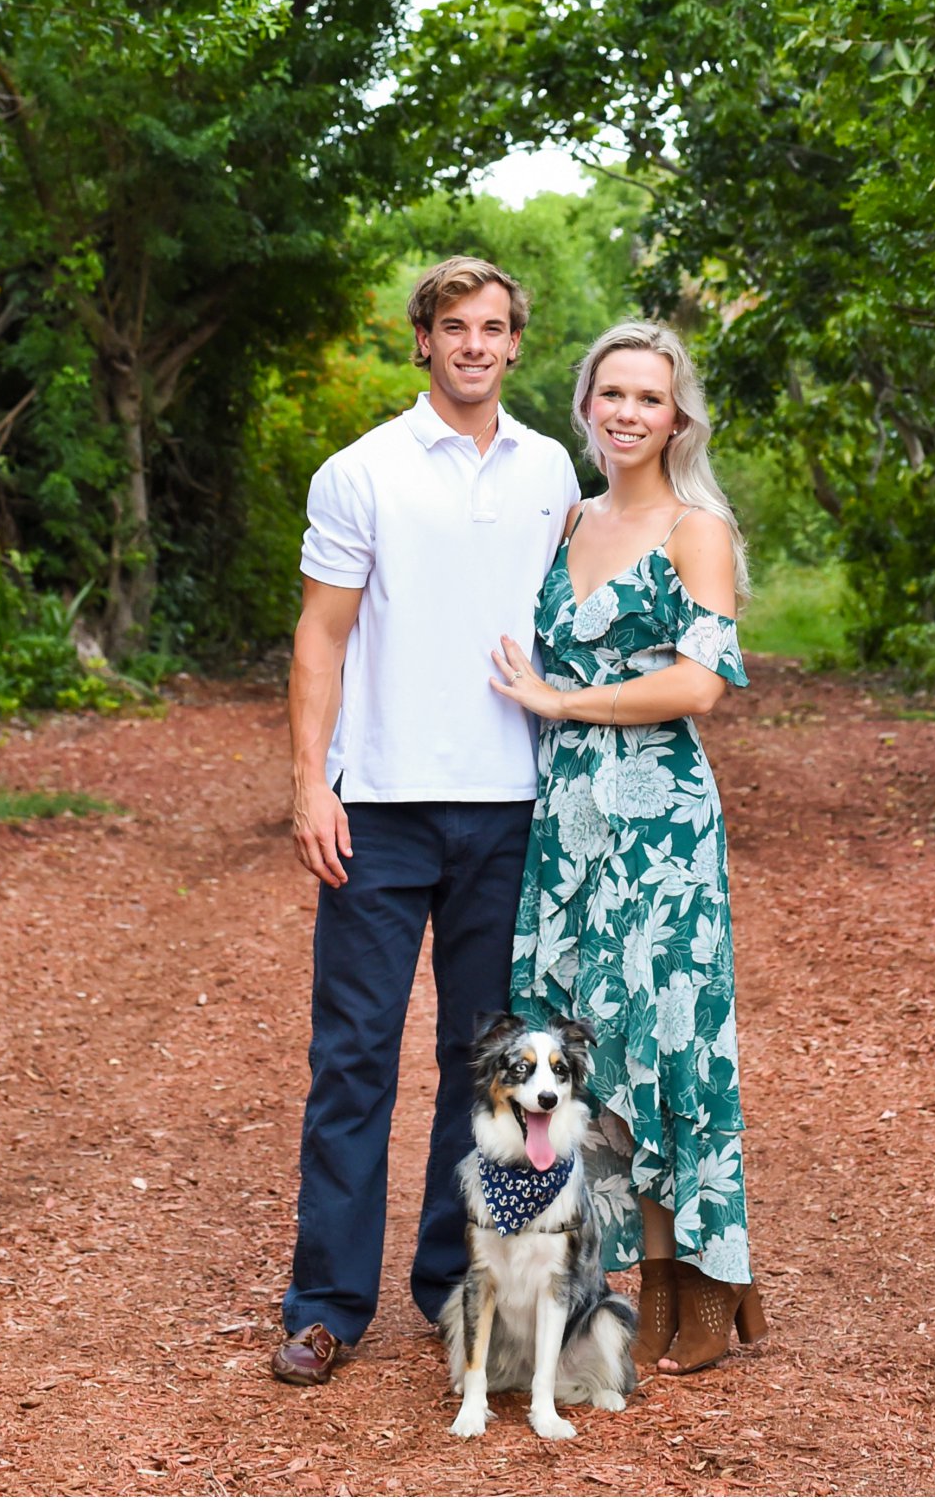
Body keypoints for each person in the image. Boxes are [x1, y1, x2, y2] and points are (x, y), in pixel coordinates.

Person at [271, 255, 582, 1387]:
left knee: (485, 1065)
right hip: (382, 811)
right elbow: (321, 635)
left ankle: (460, 1290)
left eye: (495, 327)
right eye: (455, 326)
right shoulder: (361, 472)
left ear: (513, 343)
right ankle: (324, 1305)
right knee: (351, 1059)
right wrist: (313, 783)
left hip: (512, 808)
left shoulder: (554, 469)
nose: (475, 344)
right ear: (424, 340)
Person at [489, 319, 767, 1375]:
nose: (627, 413)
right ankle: (639, 1279)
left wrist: (565, 700)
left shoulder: (695, 527)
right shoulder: (569, 519)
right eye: (612, 393)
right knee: (591, 1045)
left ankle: (706, 1275)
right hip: (567, 818)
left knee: (670, 1040)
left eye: (648, 398)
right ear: (587, 403)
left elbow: (699, 684)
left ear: (677, 414)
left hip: (660, 819)